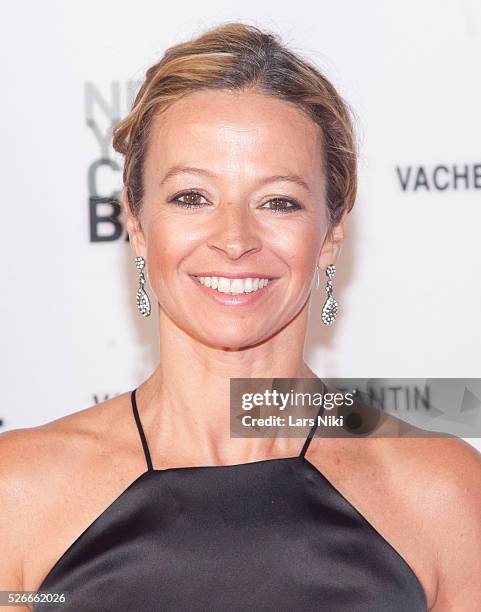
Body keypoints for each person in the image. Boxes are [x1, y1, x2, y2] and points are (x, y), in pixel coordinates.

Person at [1, 21, 480, 612]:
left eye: (278, 201)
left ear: (331, 232)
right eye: (191, 197)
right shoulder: (18, 494)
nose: (235, 239)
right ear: (135, 221)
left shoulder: (442, 495)